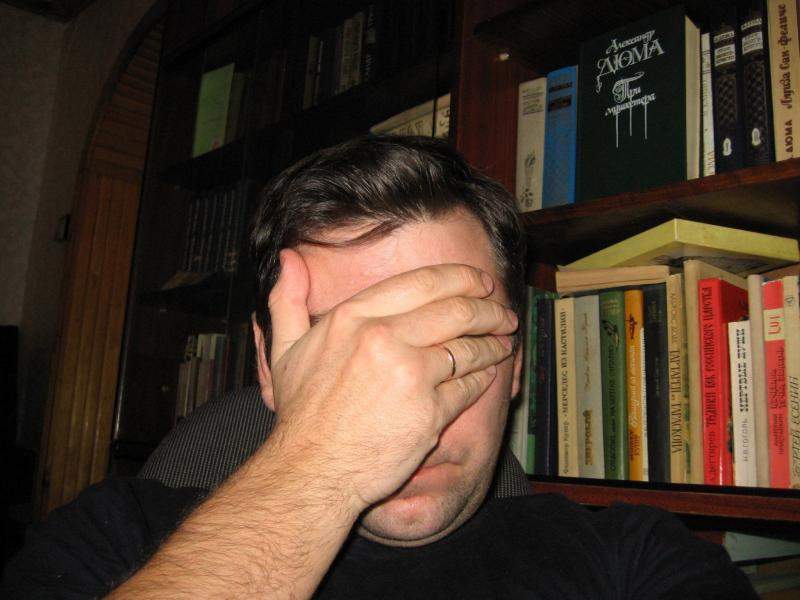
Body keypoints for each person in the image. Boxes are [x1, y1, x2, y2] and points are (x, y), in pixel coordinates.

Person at [3, 135, 756, 598]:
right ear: (267, 364)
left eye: (454, 341)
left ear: (518, 366)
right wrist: (322, 466)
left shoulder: (634, 560)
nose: (409, 405)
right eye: (351, 351)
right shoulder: (112, 540)